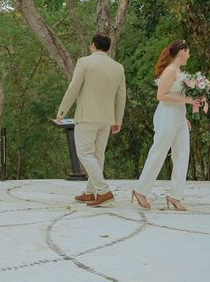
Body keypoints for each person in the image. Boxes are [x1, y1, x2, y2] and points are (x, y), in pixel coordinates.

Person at [56, 34, 126, 207]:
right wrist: (118, 120)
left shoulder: (84, 62)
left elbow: (73, 88)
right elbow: (121, 96)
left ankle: (103, 191)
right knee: (98, 155)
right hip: (107, 118)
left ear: (93, 45)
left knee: (85, 154)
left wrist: (62, 112)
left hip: (87, 117)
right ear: (107, 48)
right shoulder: (118, 67)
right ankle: (89, 192)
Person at [131, 39, 202, 211]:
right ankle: (141, 190)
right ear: (182, 51)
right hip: (167, 115)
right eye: (189, 51)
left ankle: (175, 195)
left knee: (183, 154)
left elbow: (178, 96)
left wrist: (184, 117)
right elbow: (161, 95)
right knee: (159, 152)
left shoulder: (180, 71)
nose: (190, 55)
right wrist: (187, 100)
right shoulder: (170, 71)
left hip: (179, 116)